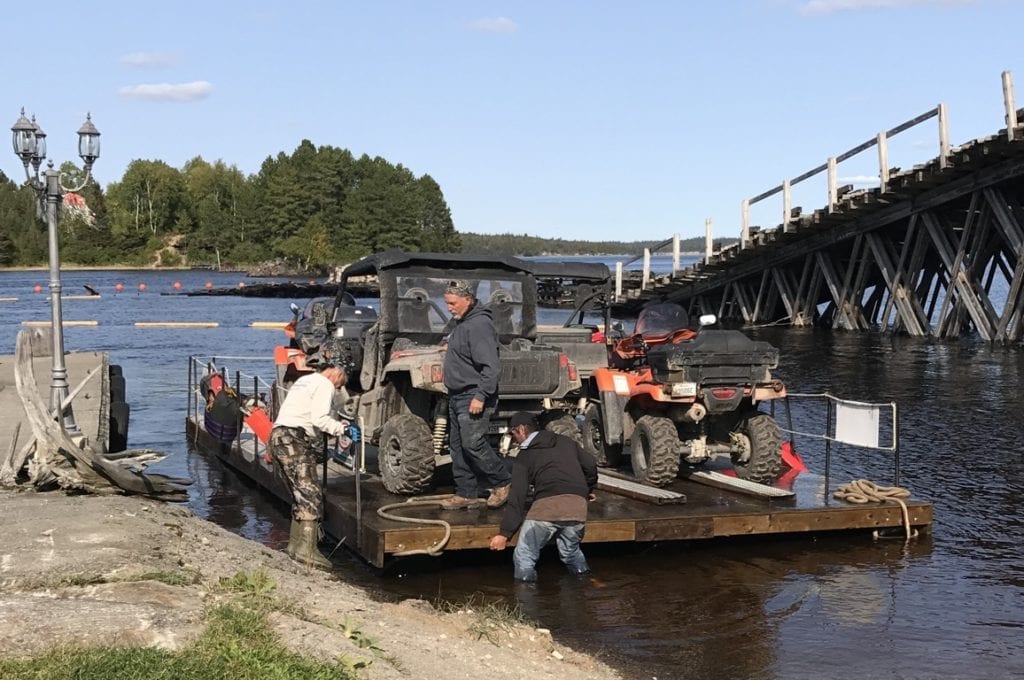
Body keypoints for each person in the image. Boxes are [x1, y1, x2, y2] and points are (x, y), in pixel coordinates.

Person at [489, 411, 598, 582]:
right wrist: (588, 489)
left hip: (546, 509)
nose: (514, 438)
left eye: (513, 433)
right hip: (577, 508)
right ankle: (587, 581)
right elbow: (590, 464)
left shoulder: (524, 456)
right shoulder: (566, 442)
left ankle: (526, 598)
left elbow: (517, 498)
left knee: (525, 555)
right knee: (570, 552)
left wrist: (504, 534)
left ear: (522, 430)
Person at [269, 363, 359, 569]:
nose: (338, 389)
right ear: (337, 373)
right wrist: (342, 429)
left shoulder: (304, 381)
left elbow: (307, 416)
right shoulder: (324, 384)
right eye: (340, 384)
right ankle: (307, 550)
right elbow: (319, 420)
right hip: (293, 440)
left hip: (278, 437)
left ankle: (294, 545)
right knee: (311, 493)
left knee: (298, 494)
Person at [440, 279, 512, 510]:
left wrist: (480, 396)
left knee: (473, 443)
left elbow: (491, 367)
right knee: (457, 446)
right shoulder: (462, 323)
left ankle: (503, 481)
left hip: (471, 395)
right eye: (447, 303)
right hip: (456, 395)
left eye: (452, 303)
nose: (449, 308)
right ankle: (466, 492)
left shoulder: (479, 325)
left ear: (468, 300)